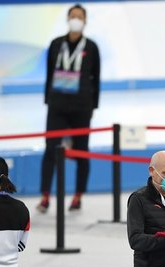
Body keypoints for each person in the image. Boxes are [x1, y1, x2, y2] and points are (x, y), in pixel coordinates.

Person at [38, 3, 101, 213]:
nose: (76, 19)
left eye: (79, 16)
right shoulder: (56, 44)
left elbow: (96, 79)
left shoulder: (91, 47)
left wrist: (93, 106)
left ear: (84, 21)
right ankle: (45, 195)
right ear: (67, 19)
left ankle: (78, 196)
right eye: (72, 15)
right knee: (50, 150)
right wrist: (48, 100)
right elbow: (49, 74)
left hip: (81, 107)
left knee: (82, 152)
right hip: (57, 105)